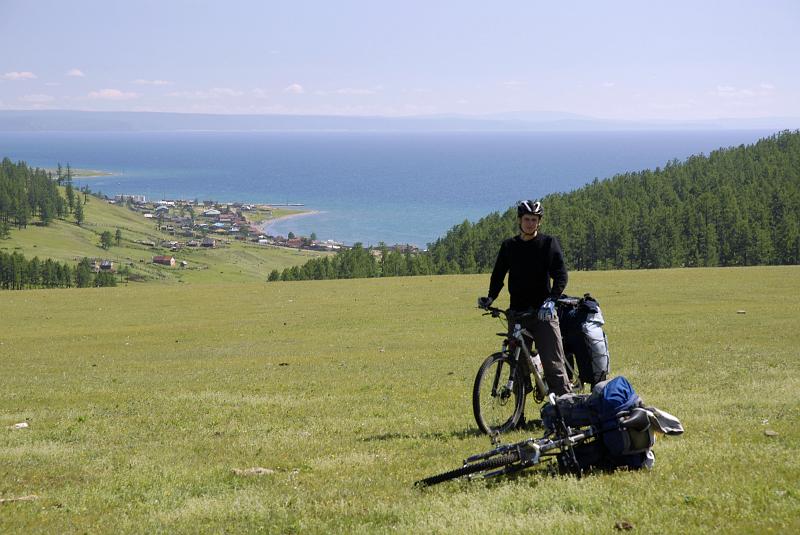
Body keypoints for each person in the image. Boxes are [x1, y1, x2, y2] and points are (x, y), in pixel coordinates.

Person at [477, 200, 572, 396]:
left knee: (553, 363)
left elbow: (561, 275)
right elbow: (498, 275)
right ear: (519, 220)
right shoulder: (509, 246)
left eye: (534, 220)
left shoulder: (548, 244)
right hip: (517, 314)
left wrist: (552, 300)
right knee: (517, 366)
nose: (530, 223)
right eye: (527, 219)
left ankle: (565, 412)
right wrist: (490, 298)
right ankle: (517, 418)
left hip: (543, 313)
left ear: (539, 222)